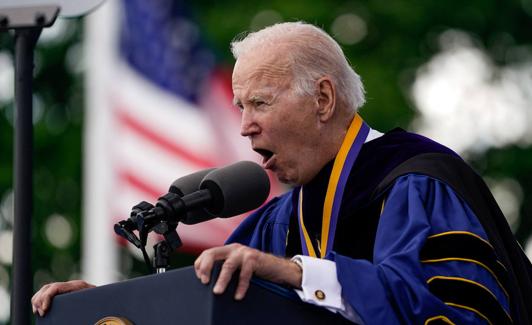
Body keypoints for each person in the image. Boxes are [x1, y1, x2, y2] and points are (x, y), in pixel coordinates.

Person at [32, 22, 532, 324]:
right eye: (239, 106)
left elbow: (460, 315)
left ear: (322, 98)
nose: (245, 126)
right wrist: (110, 311)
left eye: (260, 103)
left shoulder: (417, 182)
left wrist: (298, 273)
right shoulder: (279, 222)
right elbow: (206, 311)